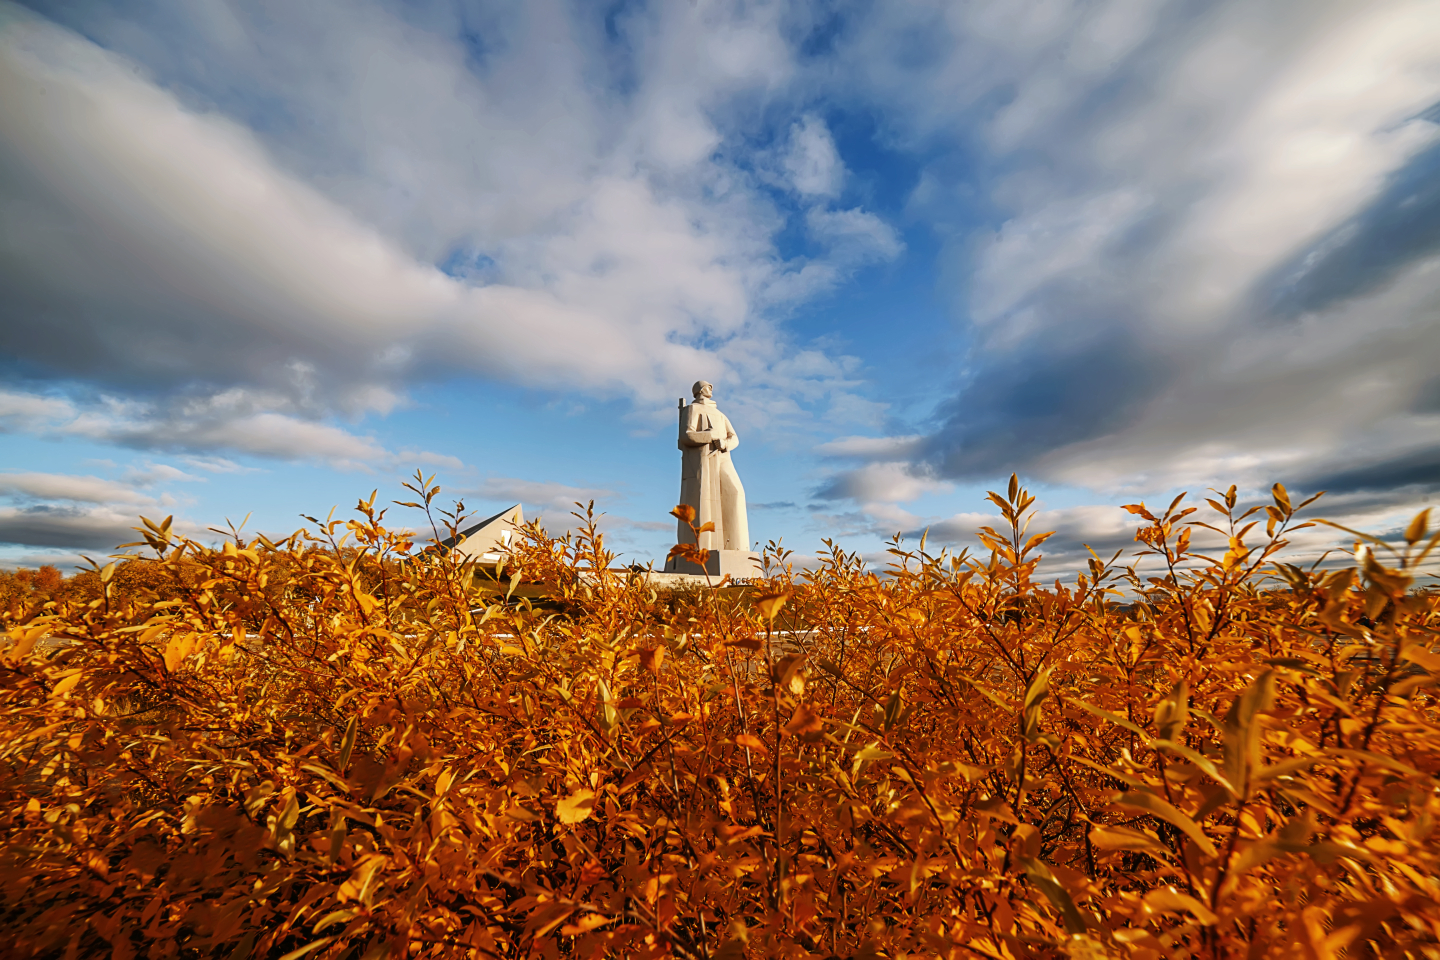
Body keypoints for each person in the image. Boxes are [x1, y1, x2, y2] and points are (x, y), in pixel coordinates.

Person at [675, 380, 750, 554]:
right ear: (700, 390)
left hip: (723, 457)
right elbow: (686, 435)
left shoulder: (720, 414)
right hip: (702, 459)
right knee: (703, 501)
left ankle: (738, 549)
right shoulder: (692, 409)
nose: (711, 388)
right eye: (708, 386)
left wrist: (724, 442)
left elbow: (735, 437)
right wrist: (710, 436)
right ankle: (702, 550)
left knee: (735, 492)